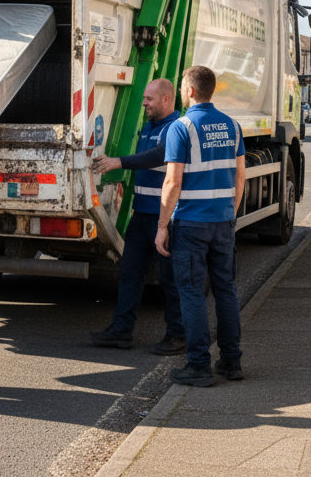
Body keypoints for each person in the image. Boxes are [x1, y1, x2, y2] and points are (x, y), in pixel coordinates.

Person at [157, 65, 247, 387]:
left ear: (190, 91)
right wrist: (229, 215)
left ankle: (198, 366)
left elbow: (172, 182)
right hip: (223, 223)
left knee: (192, 294)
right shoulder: (233, 126)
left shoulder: (181, 128)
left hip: (191, 225)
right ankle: (232, 361)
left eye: (183, 88)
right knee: (226, 291)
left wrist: (162, 225)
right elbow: (240, 178)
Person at [87, 79, 185, 355]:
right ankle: (121, 330)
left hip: (164, 218)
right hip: (142, 215)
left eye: (149, 99)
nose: (144, 103)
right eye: (143, 98)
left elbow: (160, 155)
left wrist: (119, 161)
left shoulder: (175, 128)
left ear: (166, 100)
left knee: (169, 279)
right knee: (129, 274)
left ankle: (177, 335)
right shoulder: (149, 127)